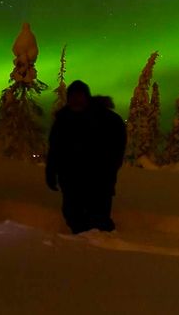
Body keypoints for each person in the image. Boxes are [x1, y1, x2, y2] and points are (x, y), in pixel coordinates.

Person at [45, 81, 126, 234]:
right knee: (73, 215)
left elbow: (118, 144)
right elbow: (55, 148)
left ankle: (103, 248)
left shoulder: (106, 119)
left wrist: (109, 168)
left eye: (79, 96)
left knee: (99, 218)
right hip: (70, 178)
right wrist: (51, 171)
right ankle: (82, 248)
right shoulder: (63, 120)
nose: (76, 100)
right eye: (73, 97)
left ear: (86, 97)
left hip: (99, 178)